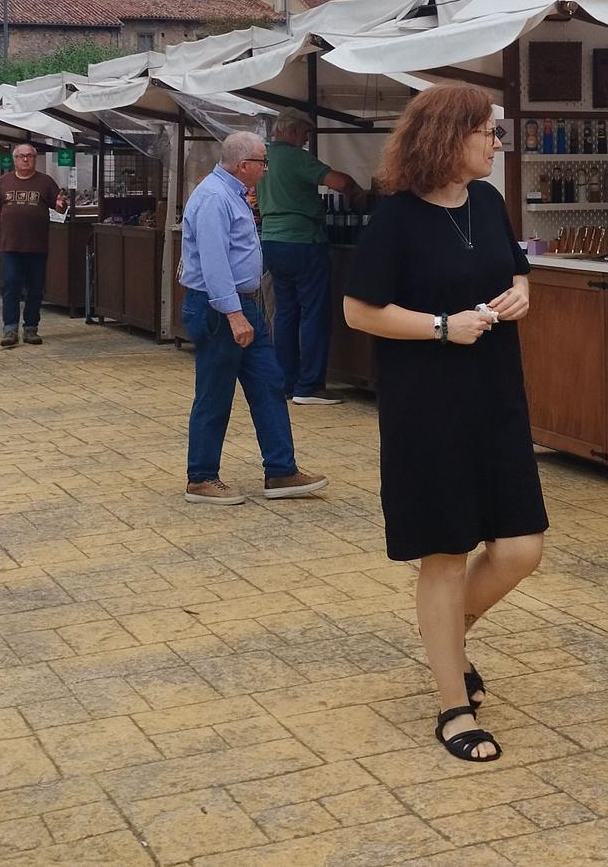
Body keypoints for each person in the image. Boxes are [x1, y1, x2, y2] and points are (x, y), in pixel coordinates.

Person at [343, 86, 544, 765]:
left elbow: (514, 268)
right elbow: (359, 312)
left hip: (496, 396)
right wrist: (439, 327)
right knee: (447, 553)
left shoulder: (487, 202)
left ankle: (445, 646)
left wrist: (521, 294)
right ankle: (452, 702)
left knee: (521, 550)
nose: (496, 142)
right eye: (489, 131)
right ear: (449, 137)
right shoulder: (394, 218)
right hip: (425, 406)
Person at [178, 131, 327, 507]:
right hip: (221, 308)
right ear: (244, 165)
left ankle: (281, 470)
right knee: (215, 392)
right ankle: (201, 477)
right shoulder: (214, 198)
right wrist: (233, 315)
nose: (266, 168)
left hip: (244, 306)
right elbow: (214, 264)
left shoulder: (230, 193)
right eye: (263, 161)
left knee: (269, 382)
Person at [258, 113, 363, 405]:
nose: (306, 140)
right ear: (290, 131)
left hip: (272, 241)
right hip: (303, 241)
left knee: (286, 313)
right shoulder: (295, 157)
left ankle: (285, 381)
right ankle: (310, 386)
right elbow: (338, 182)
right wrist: (357, 191)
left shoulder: (264, 156)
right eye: (305, 133)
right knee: (314, 313)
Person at [0, 143, 64, 347]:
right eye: (21, 156)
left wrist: (61, 204)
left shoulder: (46, 182)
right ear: (14, 159)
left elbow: (60, 206)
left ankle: (31, 327)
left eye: (29, 156)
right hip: (9, 246)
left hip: (37, 246)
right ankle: (10, 329)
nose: (25, 159)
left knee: (35, 289)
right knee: (10, 285)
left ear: (35, 158)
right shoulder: (3, 182)